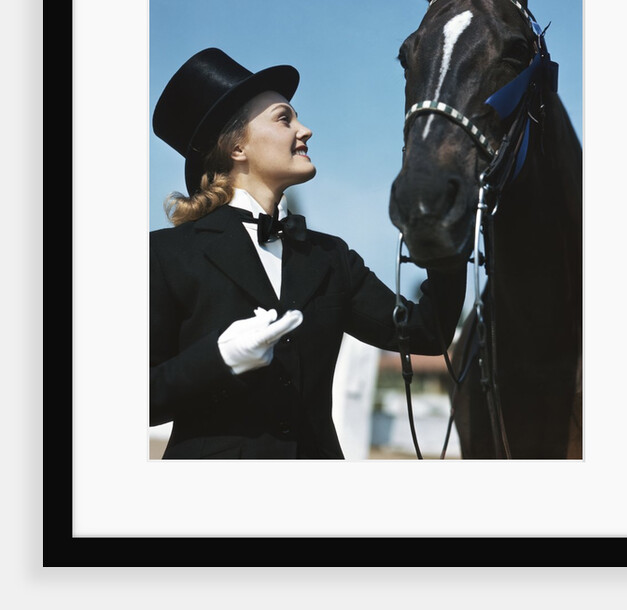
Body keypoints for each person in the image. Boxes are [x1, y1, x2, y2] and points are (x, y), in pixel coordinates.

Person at [150, 47, 467, 459]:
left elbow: (427, 332)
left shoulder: (329, 257)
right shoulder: (165, 254)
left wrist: (447, 234)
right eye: (285, 118)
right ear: (237, 148)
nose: (306, 130)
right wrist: (218, 358)